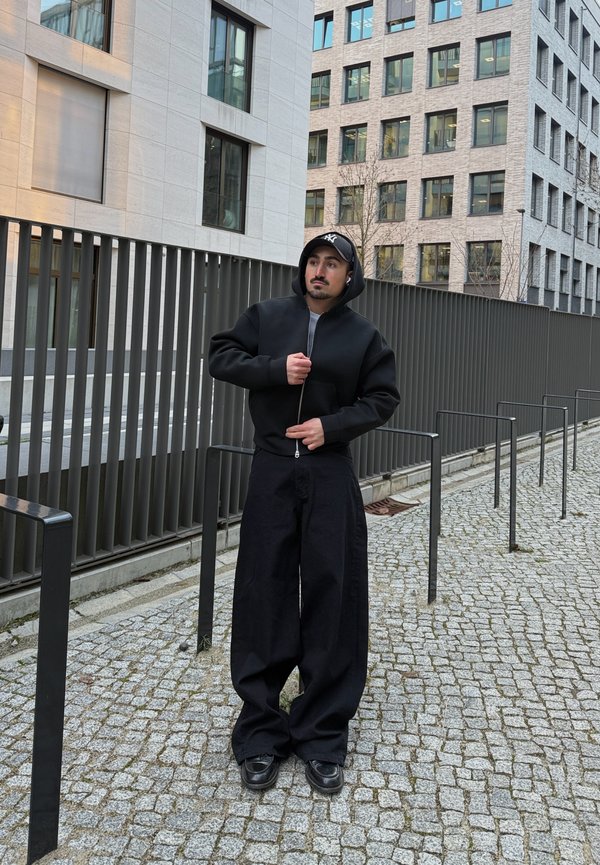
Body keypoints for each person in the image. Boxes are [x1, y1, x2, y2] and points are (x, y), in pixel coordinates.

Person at [208, 231, 400, 794]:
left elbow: (383, 398)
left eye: (332, 264)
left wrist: (330, 426)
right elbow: (221, 356)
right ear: (303, 269)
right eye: (313, 262)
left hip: (329, 471)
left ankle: (321, 733)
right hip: (271, 469)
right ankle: (261, 731)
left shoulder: (365, 337)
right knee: (263, 590)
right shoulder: (266, 315)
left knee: (331, 593)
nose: (320, 271)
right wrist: (273, 369)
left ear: (349, 276)